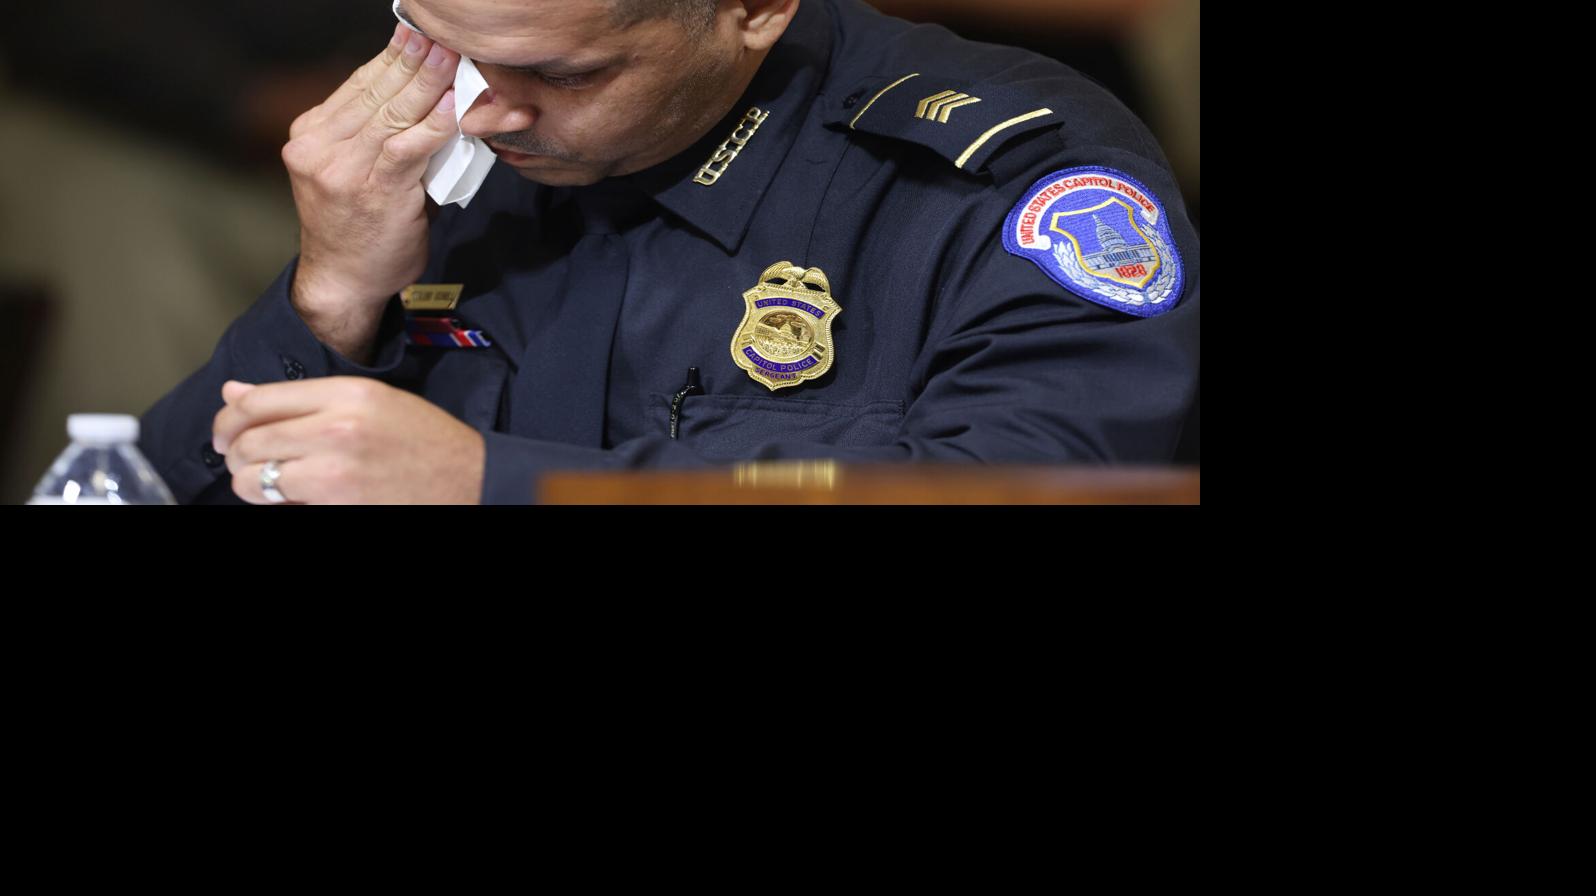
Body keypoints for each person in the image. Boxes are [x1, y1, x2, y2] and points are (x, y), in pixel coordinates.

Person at [140, 0, 1201, 504]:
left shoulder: (999, 184)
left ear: (753, 9)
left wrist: (498, 483)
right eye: (439, 47)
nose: (482, 112)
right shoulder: (450, 151)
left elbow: (1034, 492)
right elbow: (125, 491)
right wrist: (331, 296)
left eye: (562, 73)